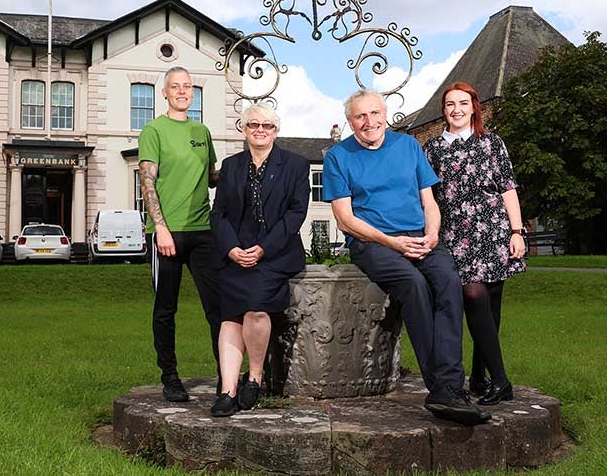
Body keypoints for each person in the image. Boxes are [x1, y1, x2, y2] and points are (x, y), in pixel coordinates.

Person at [322, 89, 491, 426]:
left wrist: (432, 234)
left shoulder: (409, 146)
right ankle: (443, 388)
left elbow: (429, 201)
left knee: (447, 282)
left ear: (385, 115)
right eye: (360, 117)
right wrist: (393, 242)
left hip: (420, 237)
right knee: (414, 285)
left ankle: (449, 387)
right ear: (350, 121)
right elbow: (345, 218)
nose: (369, 122)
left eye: (374, 114)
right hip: (374, 243)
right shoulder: (338, 157)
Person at [423, 82, 526, 405]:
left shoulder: (492, 143)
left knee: (490, 308)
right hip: (456, 236)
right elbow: (428, 197)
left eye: (463, 103)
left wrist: (517, 231)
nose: (457, 109)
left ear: (474, 107)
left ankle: (480, 375)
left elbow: (508, 188)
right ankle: (501, 381)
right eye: (450, 104)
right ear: (444, 110)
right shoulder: (433, 149)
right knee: (473, 294)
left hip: (494, 232)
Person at [209, 104, 310, 417]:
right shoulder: (231, 166)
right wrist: (230, 249)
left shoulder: (296, 164)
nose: (260, 130)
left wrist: (263, 249)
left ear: (276, 131)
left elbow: (296, 214)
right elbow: (219, 213)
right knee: (229, 316)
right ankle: (228, 390)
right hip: (235, 253)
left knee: (254, 309)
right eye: (253, 125)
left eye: (267, 125)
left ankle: (254, 376)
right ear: (244, 129)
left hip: (274, 254)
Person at [138, 66, 221, 402]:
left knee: (218, 307)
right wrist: (161, 228)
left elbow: (212, 177)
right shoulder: (153, 130)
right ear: (166, 93)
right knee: (165, 308)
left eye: (188, 86)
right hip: (166, 235)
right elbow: (147, 181)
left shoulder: (203, 131)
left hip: (203, 232)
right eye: (176, 86)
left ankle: (226, 376)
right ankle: (170, 377)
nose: (183, 91)